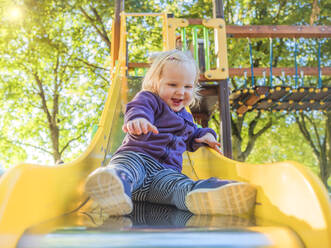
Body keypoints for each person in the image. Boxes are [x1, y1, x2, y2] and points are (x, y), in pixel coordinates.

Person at [85, 49, 256, 216]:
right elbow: (138, 108)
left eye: (188, 86)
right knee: (127, 167)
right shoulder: (150, 99)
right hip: (138, 158)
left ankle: (202, 193)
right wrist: (139, 120)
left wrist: (207, 135)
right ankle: (115, 185)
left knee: (178, 187)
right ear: (155, 83)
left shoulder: (187, 119)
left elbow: (195, 134)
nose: (181, 92)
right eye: (172, 84)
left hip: (164, 176)